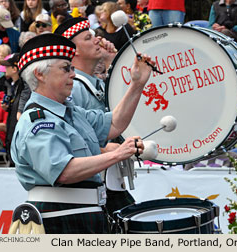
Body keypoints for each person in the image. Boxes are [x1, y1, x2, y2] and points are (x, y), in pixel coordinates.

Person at [10, 33, 153, 234]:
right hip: (58, 218)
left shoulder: (71, 112)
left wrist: (137, 84)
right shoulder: (37, 120)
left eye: (72, 68)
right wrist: (118, 154)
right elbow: (64, 171)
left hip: (83, 213)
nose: (72, 74)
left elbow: (114, 123)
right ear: (39, 75)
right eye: (65, 68)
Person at [55, 18, 135, 221]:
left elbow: (122, 113)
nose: (98, 40)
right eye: (89, 38)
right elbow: (69, 137)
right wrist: (103, 151)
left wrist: (112, 61)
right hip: (93, 182)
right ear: (74, 51)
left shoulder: (95, 83)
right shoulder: (74, 88)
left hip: (109, 180)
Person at [0, 53, 30, 165]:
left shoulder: (25, 85)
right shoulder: (12, 85)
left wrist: (20, 110)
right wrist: (8, 108)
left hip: (19, 136)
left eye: (7, 66)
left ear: (15, 68)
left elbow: (23, 101)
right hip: (11, 133)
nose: (4, 69)